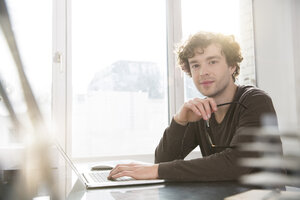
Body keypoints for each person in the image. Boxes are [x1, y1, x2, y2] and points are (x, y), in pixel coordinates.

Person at [108, 31, 280, 181]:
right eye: (196, 65)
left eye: (212, 61)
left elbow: (237, 163)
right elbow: (163, 160)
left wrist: (157, 171)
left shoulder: (255, 101)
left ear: (231, 66)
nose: (203, 71)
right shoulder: (201, 110)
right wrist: (180, 121)